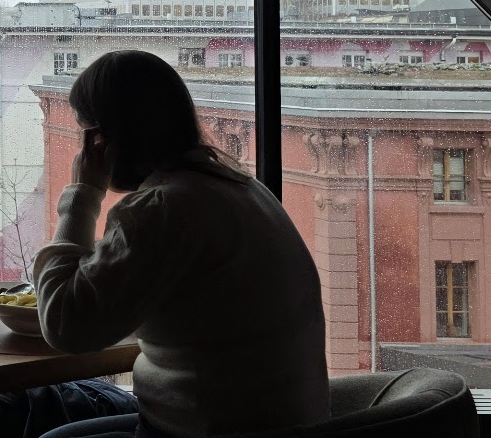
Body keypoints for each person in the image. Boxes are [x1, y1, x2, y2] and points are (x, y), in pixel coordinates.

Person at [33, 51, 329, 438]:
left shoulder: (162, 208)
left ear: (101, 138)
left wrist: (83, 194)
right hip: (281, 424)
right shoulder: (243, 187)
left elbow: (65, 327)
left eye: (83, 131)